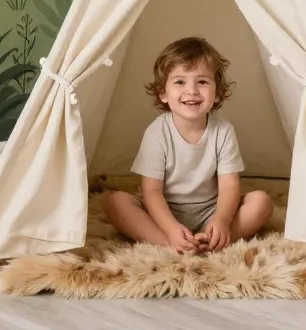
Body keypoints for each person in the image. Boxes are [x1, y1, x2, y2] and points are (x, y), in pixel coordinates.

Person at [103, 36, 273, 254]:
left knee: (261, 202)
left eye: (202, 81)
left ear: (217, 92)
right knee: (115, 202)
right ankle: (172, 244)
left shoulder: (223, 131)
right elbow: (152, 191)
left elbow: (229, 186)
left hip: (211, 209)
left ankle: (213, 240)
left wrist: (221, 220)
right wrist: (171, 229)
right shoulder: (156, 132)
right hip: (165, 213)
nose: (192, 90)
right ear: (163, 93)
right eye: (180, 82)